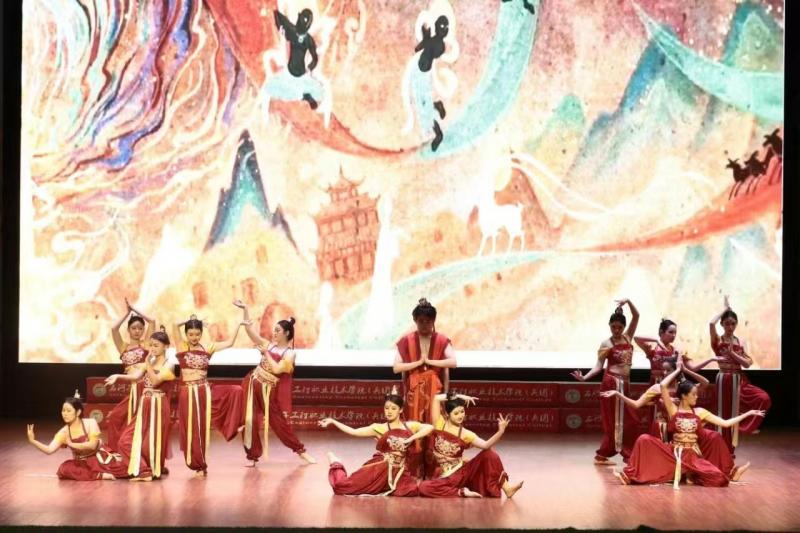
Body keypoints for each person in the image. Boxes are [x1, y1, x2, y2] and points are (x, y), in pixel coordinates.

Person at [602, 358, 748, 481]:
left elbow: (705, 383)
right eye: (663, 370)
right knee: (649, 443)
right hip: (664, 427)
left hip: (686, 427)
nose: (664, 373)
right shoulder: (657, 388)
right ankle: (660, 472)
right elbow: (636, 404)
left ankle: (726, 471)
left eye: (668, 370)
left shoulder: (684, 388)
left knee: (714, 436)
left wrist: (684, 370)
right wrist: (618, 394)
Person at [234, 300, 316, 465]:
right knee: (249, 420)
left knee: (279, 424)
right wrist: (246, 309)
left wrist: (266, 354)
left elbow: (278, 369)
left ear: (287, 333)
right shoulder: (268, 345)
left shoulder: (289, 353)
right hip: (252, 383)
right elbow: (249, 331)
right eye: (274, 330)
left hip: (268, 390)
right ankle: (252, 456)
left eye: (278, 330)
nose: (274, 333)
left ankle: (300, 451)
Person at [318, 389, 433, 496]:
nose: (389, 411)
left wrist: (410, 439)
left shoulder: (409, 426)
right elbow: (353, 431)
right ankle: (336, 463)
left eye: (393, 408)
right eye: (386, 408)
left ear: (401, 410)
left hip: (400, 472)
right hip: (380, 469)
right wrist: (333, 421)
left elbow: (429, 427)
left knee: (411, 491)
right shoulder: (378, 428)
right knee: (342, 487)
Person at [172, 315, 243, 476]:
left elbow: (230, 343)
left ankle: (233, 425)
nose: (194, 337)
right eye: (191, 334)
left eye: (197, 334)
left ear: (201, 333)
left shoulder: (207, 348)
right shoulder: (181, 346)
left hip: (204, 390)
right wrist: (190, 319)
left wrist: (238, 324)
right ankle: (197, 464)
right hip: (188, 393)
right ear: (186, 334)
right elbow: (174, 325)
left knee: (235, 391)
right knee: (192, 428)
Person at [393, 298, 456, 476]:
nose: (424, 325)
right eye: (420, 321)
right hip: (414, 393)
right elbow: (396, 367)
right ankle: (413, 472)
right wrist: (418, 363)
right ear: (415, 320)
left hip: (434, 392)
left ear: (433, 321)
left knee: (433, 426)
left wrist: (430, 362)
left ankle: (433, 472)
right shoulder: (407, 340)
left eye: (427, 321)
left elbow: (453, 363)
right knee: (414, 427)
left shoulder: (441, 340)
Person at [571, 299, 640, 464]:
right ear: (609, 325)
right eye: (613, 327)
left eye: (619, 327)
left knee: (630, 420)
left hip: (625, 384)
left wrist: (628, 301)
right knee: (613, 421)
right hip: (611, 384)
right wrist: (585, 377)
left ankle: (615, 453)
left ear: (624, 327)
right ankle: (613, 454)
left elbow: (636, 316)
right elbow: (598, 366)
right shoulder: (606, 344)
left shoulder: (628, 337)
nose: (616, 330)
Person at [418, 392, 523, 498]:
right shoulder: (439, 424)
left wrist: (500, 432)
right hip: (444, 476)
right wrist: (460, 397)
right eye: (456, 413)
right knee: (423, 487)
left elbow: (485, 445)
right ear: (447, 414)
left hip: (461, 474)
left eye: (462, 411)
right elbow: (437, 398)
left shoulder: (465, 433)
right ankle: (461, 492)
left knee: (489, 454)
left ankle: (507, 488)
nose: (460, 416)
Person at [26, 391, 146, 481]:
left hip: (99, 458)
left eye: (68, 411)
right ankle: (99, 475)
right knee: (64, 469)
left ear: (78, 412)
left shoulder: (90, 423)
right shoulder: (64, 432)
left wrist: (71, 444)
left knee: (128, 469)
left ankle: (104, 472)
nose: (65, 414)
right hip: (82, 464)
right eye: (63, 410)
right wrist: (33, 441)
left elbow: (92, 445)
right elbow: (49, 450)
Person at [709, 297, 771, 455]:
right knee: (724, 413)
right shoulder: (718, 340)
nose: (730, 327)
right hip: (724, 379)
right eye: (727, 323)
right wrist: (725, 310)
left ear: (736, 324)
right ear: (722, 324)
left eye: (733, 323)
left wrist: (733, 354)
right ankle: (724, 449)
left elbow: (747, 363)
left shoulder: (739, 341)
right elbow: (711, 323)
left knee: (763, 398)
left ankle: (743, 431)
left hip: (738, 379)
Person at [115, 328, 176, 479]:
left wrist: (147, 364)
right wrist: (117, 376)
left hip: (158, 404)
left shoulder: (169, 364)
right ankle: (145, 469)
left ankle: (148, 471)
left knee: (151, 441)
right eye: (151, 345)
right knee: (125, 440)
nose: (152, 348)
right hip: (145, 404)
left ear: (165, 346)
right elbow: (135, 377)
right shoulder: (150, 362)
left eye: (156, 345)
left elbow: (155, 382)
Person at [104, 299, 156, 449]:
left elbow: (152, 321)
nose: (137, 331)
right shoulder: (123, 347)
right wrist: (127, 313)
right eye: (134, 328)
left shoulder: (146, 344)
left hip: (144, 386)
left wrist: (135, 309)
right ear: (128, 329)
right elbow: (114, 329)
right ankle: (116, 451)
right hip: (132, 388)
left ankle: (139, 452)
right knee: (116, 417)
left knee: (141, 421)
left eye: (140, 328)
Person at [634, 318, 717, 384]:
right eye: (670, 332)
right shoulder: (653, 348)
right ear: (661, 332)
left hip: (671, 386)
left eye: (675, 333)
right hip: (655, 387)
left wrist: (710, 359)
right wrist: (656, 340)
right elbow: (636, 338)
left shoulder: (676, 351)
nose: (673, 335)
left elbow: (693, 368)